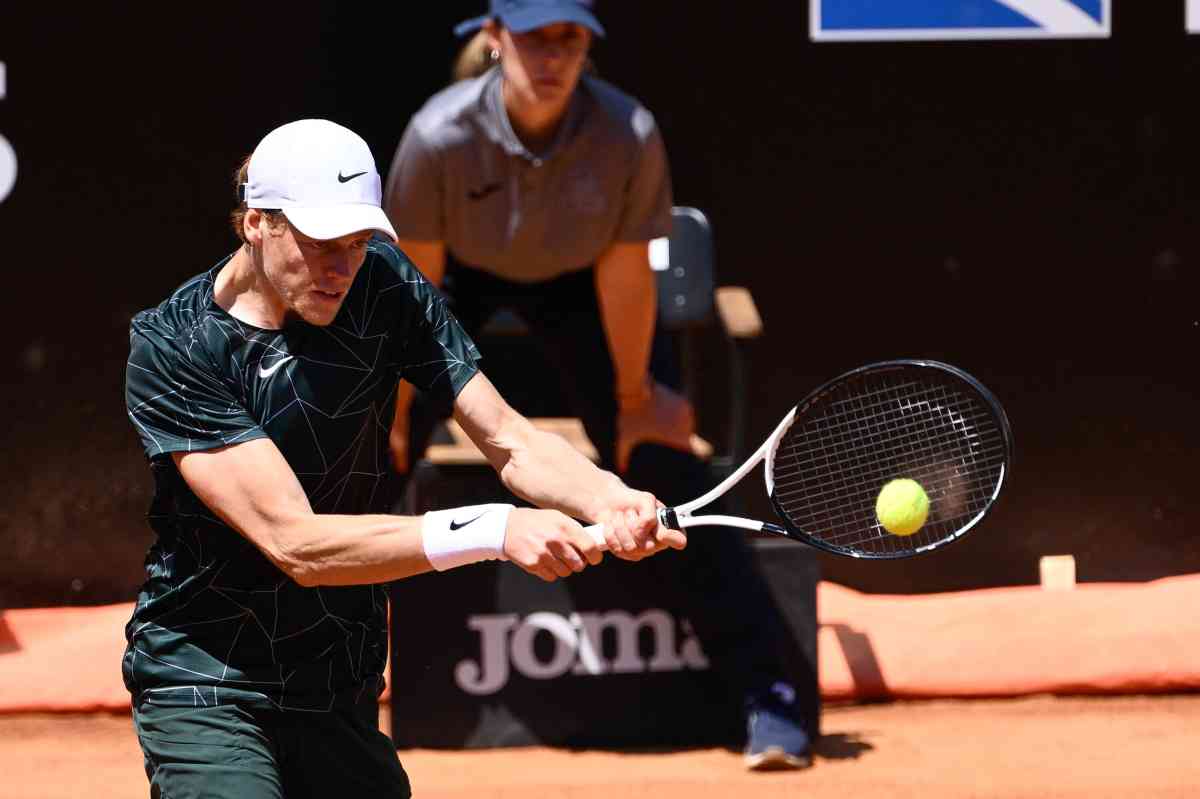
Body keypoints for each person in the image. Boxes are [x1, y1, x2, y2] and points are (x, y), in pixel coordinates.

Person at [122, 117, 684, 799]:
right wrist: (497, 530)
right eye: (321, 243)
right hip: (205, 678)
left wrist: (606, 497)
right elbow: (294, 541)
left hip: (337, 678)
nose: (342, 267)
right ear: (256, 223)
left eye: (358, 243)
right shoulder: (173, 346)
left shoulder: (382, 286)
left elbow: (509, 438)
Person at [382, 0, 813, 770]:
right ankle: (325, 696)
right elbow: (416, 281)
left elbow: (622, 276)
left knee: (659, 461)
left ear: (588, 47)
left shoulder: (628, 134)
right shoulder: (436, 134)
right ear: (493, 39)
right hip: (455, 286)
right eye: (533, 37)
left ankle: (767, 698)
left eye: (569, 39)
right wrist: (399, 408)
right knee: (376, 443)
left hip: (583, 290)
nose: (551, 56)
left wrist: (635, 400)